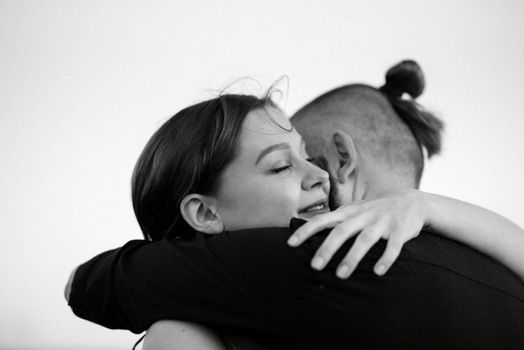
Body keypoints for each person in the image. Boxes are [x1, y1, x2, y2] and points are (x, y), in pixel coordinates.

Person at [67, 60, 524, 349]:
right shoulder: (496, 264)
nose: (319, 175)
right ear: (204, 212)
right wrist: (429, 205)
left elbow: (91, 284)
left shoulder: (312, 262)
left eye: (310, 156)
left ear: (341, 157)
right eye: (281, 166)